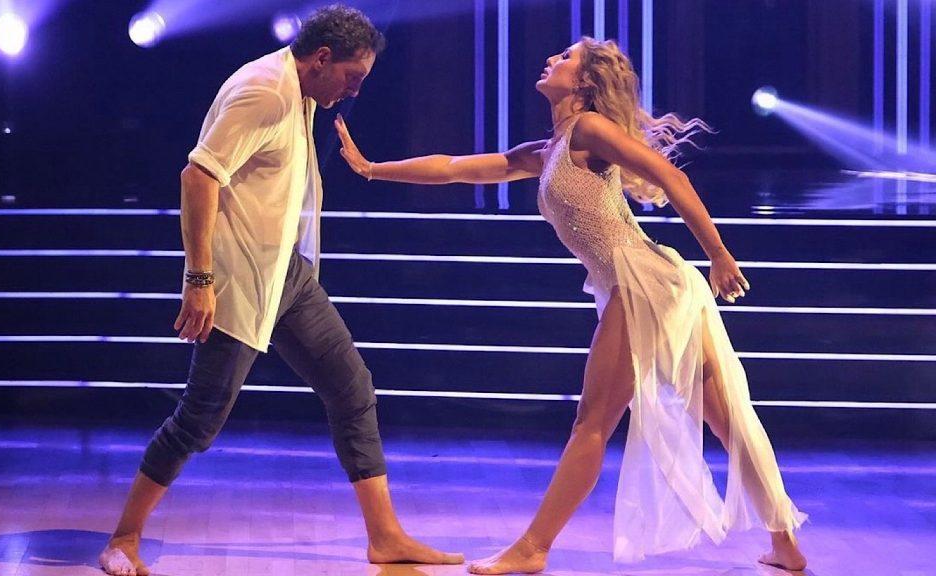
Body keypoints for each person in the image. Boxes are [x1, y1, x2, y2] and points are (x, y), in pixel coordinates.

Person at [334, 37, 808, 574]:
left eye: (564, 58)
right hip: (646, 285)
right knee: (726, 419)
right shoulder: (548, 149)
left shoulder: (587, 130)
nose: (551, 60)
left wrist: (719, 255)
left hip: (643, 283)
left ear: (583, 84)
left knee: (593, 423)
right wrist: (372, 169)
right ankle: (785, 543)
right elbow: (454, 168)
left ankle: (533, 547)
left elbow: (670, 176)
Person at [99, 6, 464, 575]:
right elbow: (198, 176)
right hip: (238, 280)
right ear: (322, 59)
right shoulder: (266, 90)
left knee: (351, 389)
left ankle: (385, 535)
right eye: (352, 77)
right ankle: (123, 538)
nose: (353, 91)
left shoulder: (300, 91)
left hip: (285, 277)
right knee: (201, 419)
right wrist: (199, 279)